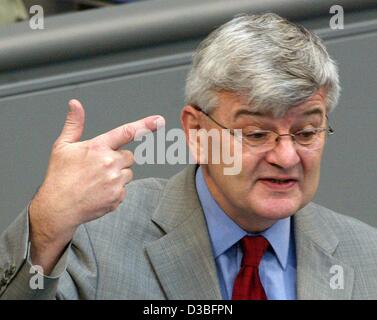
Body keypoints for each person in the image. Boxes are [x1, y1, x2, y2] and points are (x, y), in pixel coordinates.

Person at [1, 13, 377, 300]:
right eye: (256, 134)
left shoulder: (366, 256)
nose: (287, 156)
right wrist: (48, 224)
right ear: (197, 132)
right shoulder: (98, 239)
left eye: (306, 132)